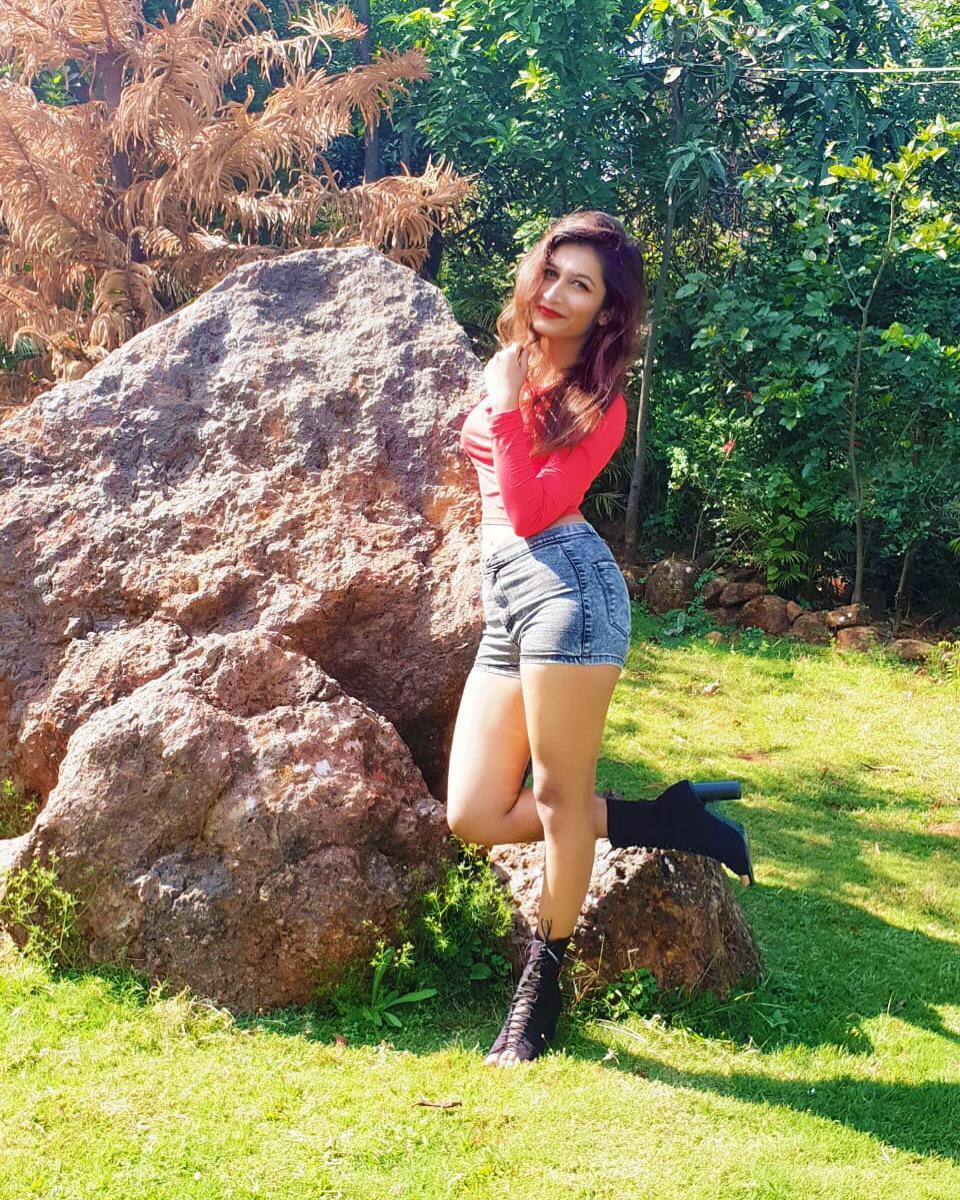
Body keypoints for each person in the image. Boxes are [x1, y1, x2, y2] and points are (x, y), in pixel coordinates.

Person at [449, 210, 752, 1068]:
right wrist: (507, 397)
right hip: (507, 601)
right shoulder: (514, 365)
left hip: (570, 596)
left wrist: (504, 408)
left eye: (579, 285)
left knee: (556, 799)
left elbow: (531, 510)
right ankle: (664, 817)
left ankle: (540, 991)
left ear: (605, 311)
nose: (555, 292)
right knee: (473, 812)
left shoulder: (599, 404)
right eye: (550, 272)